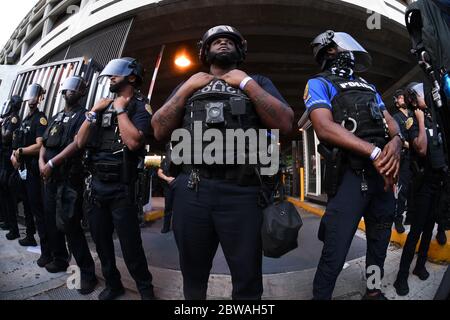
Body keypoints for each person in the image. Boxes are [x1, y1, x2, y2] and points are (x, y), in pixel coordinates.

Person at [151, 25, 294, 300]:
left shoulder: (258, 81)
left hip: (243, 193)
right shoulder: (189, 84)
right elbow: (158, 129)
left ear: (240, 49)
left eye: (229, 40)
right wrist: (188, 87)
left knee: (248, 280)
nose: (223, 43)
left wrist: (246, 83)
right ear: (205, 51)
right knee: (193, 277)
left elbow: (285, 123)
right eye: (216, 41)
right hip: (192, 190)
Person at [304, 30, 403, 300]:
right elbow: (324, 128)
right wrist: (375, 153)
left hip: (382, 179)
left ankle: (372, 291)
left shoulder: (369, 86)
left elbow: (391, 125)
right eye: (339, 47)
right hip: (351, 177)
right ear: (330, 51)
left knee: (379, 242)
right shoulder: (319, 83)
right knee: (335, 249)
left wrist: (396, 144)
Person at [76, 57, 155, 300]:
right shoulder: (101, 106)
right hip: (97, 186)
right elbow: (79, 142)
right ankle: (113, 284)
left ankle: (145, 290)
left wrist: (120, 108)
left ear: (131, 77)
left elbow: (133, 142)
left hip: (122, 187)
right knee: (101, 242)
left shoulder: (141, 106)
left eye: (115, 75)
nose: (110, 78)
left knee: (131, 245)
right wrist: (92, 113)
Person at [39, 75, 98, 292]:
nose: (69, 92)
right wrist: (41, 162)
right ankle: (60, 259)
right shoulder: (55, 117)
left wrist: (52, 163)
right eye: (67, 89)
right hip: (50, 178)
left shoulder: (83, 116)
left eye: (74, 89)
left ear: (81, 92)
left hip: (68, 179)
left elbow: (77, 144)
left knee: (71, 226)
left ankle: (87, 274)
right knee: (51, 222)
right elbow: (44, 142)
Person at [393, 82, 447, 296]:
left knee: (429, 229)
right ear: (414, 100)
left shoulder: (434, 116)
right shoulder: (413, 120)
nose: (427, 96)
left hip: (437, 181)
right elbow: (422, 148)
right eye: (422, 94)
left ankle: (420, 265)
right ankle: (401, 277)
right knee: (416, 231)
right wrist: (422, 121)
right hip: (422, 184)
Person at [11, 84, 51, 267]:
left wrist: (20, 151)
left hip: (34, 171)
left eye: (35, 96)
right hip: (23, 169)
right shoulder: (25, 119)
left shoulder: (40, 119)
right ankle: (29, 236)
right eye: (31, 96)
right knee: (26, 205)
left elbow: (39, 145)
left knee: (38, 211)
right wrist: (15, 155)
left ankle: (46, 251)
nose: (32, 100)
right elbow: (17, 144)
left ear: (40, 98)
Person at [0, 96, 36, 242]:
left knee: (10, 196)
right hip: (5, 161)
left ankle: (14, 229)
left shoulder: (14, 119)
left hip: (10, 163)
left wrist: (1, 126)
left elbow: (6, 137)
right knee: (4, 195)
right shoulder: (9, 119)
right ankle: (9, 222)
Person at [392, 89, 414, 234]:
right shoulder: (395, 117)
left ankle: (410, 217)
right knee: (403, 189)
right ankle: (398, 218)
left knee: (414, 188)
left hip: (416, 157)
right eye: (400, 98)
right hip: (405, 156)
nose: (403, 99)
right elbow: (399, 137)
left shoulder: (413, 114)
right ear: (396, 102)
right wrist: (413, 144)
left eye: (404, 97)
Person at [157, 144, 175, 233]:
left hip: (178, 186)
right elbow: (159, 172)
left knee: (179, 208)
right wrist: (167, 178)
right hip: (168, 187)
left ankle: (177, 227)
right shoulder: (165, 160)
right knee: (168, 208)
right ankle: (166, 227)